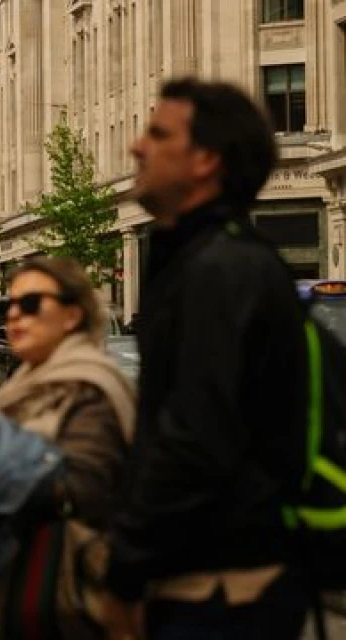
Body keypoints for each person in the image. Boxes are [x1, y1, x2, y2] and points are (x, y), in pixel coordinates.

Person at [104, 78, 309, 638]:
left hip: (222, 594)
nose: (136, 147)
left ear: (206, 161)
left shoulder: (221, 269)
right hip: (204, 585)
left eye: (158, 133)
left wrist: (124, 566)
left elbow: (194, 435)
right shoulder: (199, 260)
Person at [0, 256, 136, 639]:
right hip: (20, 592)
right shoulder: (24, 387)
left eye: (31, 304)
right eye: (8, 307)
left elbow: (85, 488)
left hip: (69, 598)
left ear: (71, 315)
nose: (14, 316)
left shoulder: (90, 388)